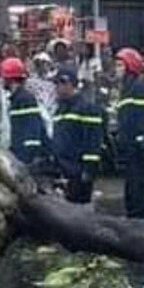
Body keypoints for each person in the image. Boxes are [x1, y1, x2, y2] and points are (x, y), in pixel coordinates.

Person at [112, 47, 144, 220]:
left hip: (137, 146)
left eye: (119, 65)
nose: (117, 69)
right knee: (132, 180)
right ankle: (134, 213)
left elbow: (142, 117)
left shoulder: (138, 87)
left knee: (138, 181)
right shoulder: (127, 88)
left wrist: (139, 139)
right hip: (129, 144)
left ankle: (140, 213)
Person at [51, 67, 104, 203]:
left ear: (72, 85)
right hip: (63, 171)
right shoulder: (59, 110)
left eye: (62, 83)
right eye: (56, 83)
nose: (58, 87)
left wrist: (89, 170)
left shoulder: (86, 109)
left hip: (79, 173)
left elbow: (93, 141)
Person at [3, 56, 51, 171]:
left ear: (9, 79)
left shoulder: (24, 99)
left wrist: (27, 159)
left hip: (30, 159)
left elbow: (32, 130)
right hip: (23, 155)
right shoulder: (18, 99)